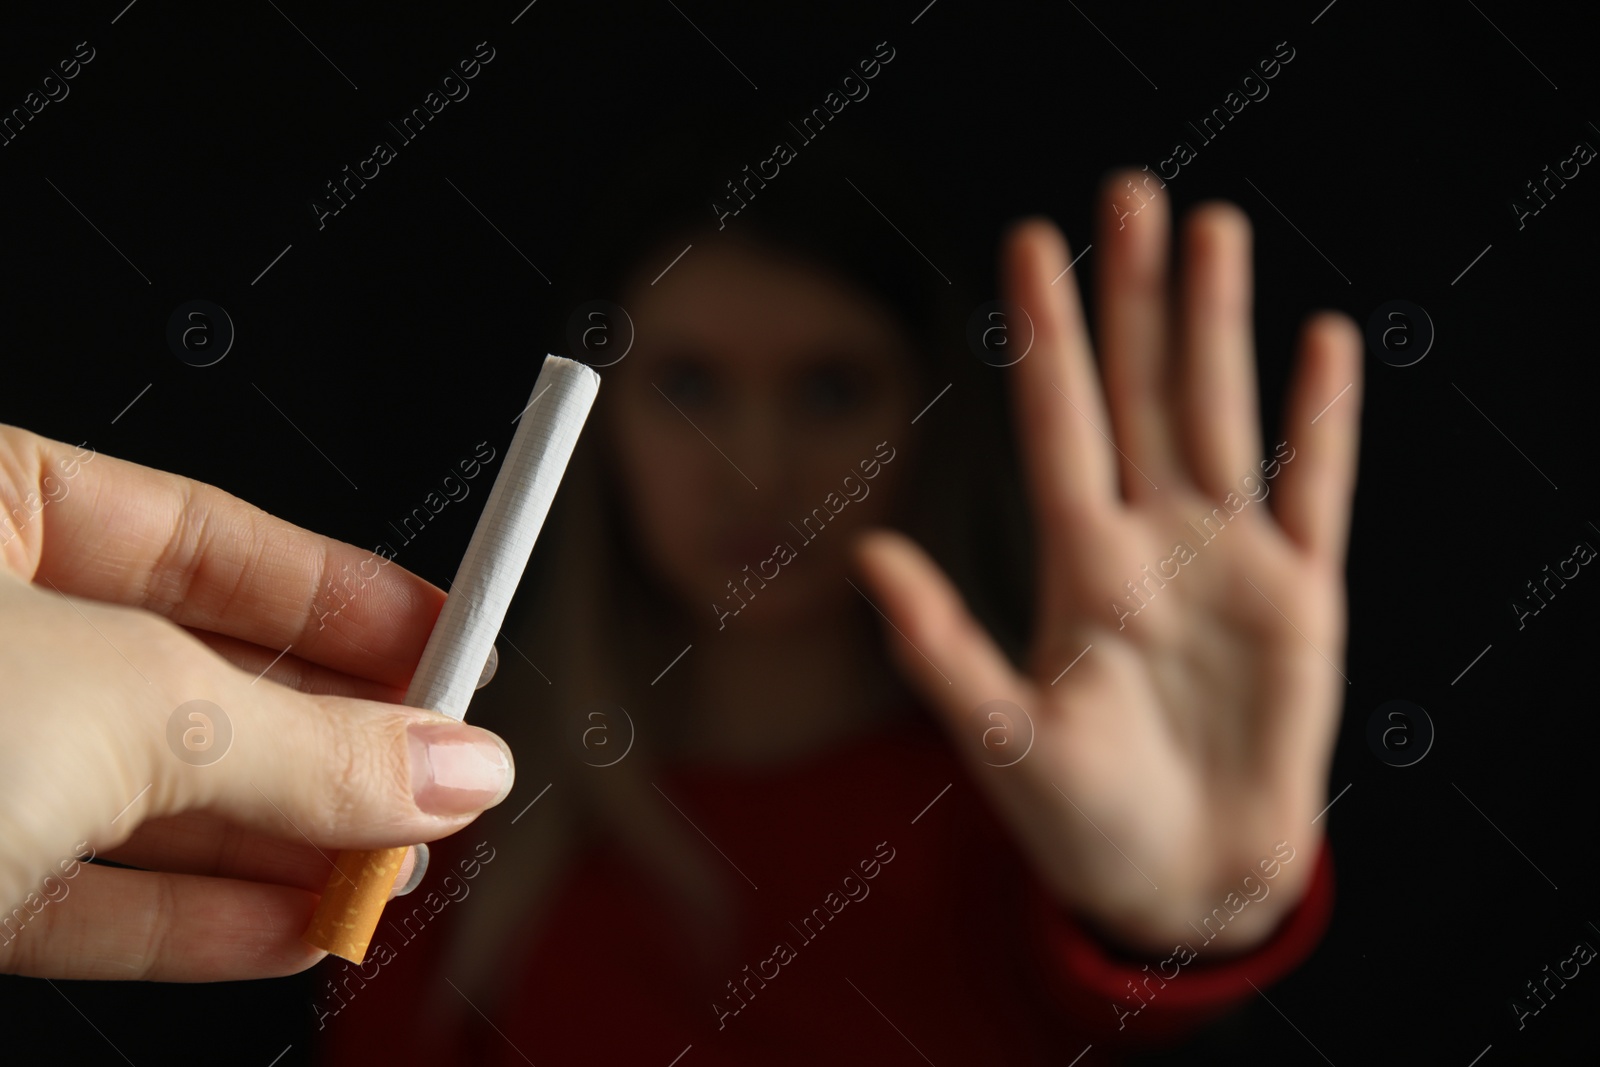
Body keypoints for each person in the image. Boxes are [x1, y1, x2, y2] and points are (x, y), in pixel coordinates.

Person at [0, 156, 1360, 1064]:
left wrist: (1191, 919)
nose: (754, 468)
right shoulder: (441, 809)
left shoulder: (1034, 819)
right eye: (692, 387)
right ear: (608, 426)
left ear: (925, 422)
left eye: (830, 389)